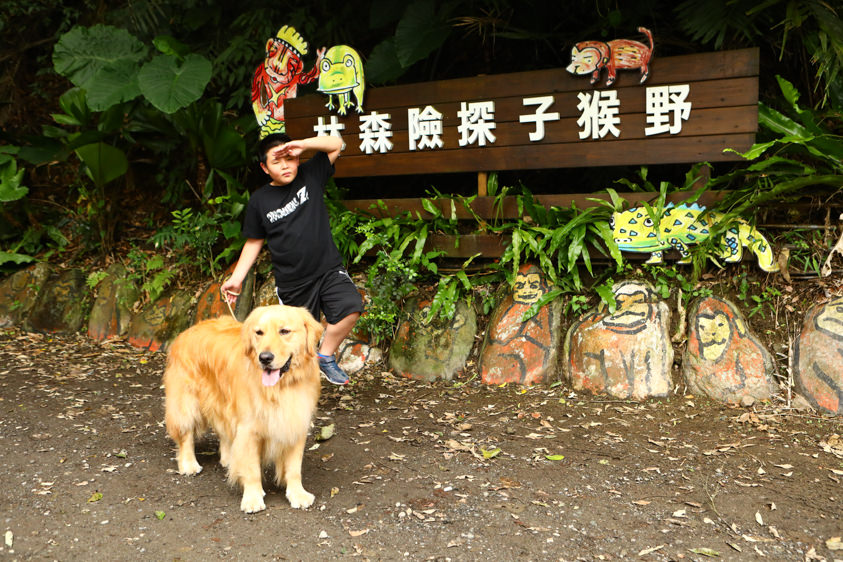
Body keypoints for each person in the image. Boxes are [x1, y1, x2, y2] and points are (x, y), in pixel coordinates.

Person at [221, 133, 362, 385]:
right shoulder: (259, 201)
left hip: (328, 269)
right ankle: (288, 395)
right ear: (265, 168)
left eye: (289, 159)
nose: (285, 166)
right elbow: (254, 241)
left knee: (350, 306)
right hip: (293, 283)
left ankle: (325, 356)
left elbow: (336, 144)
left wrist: (303, 145)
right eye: (277, 162)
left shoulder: (310, 175)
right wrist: (237, 278)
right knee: (295, 347)